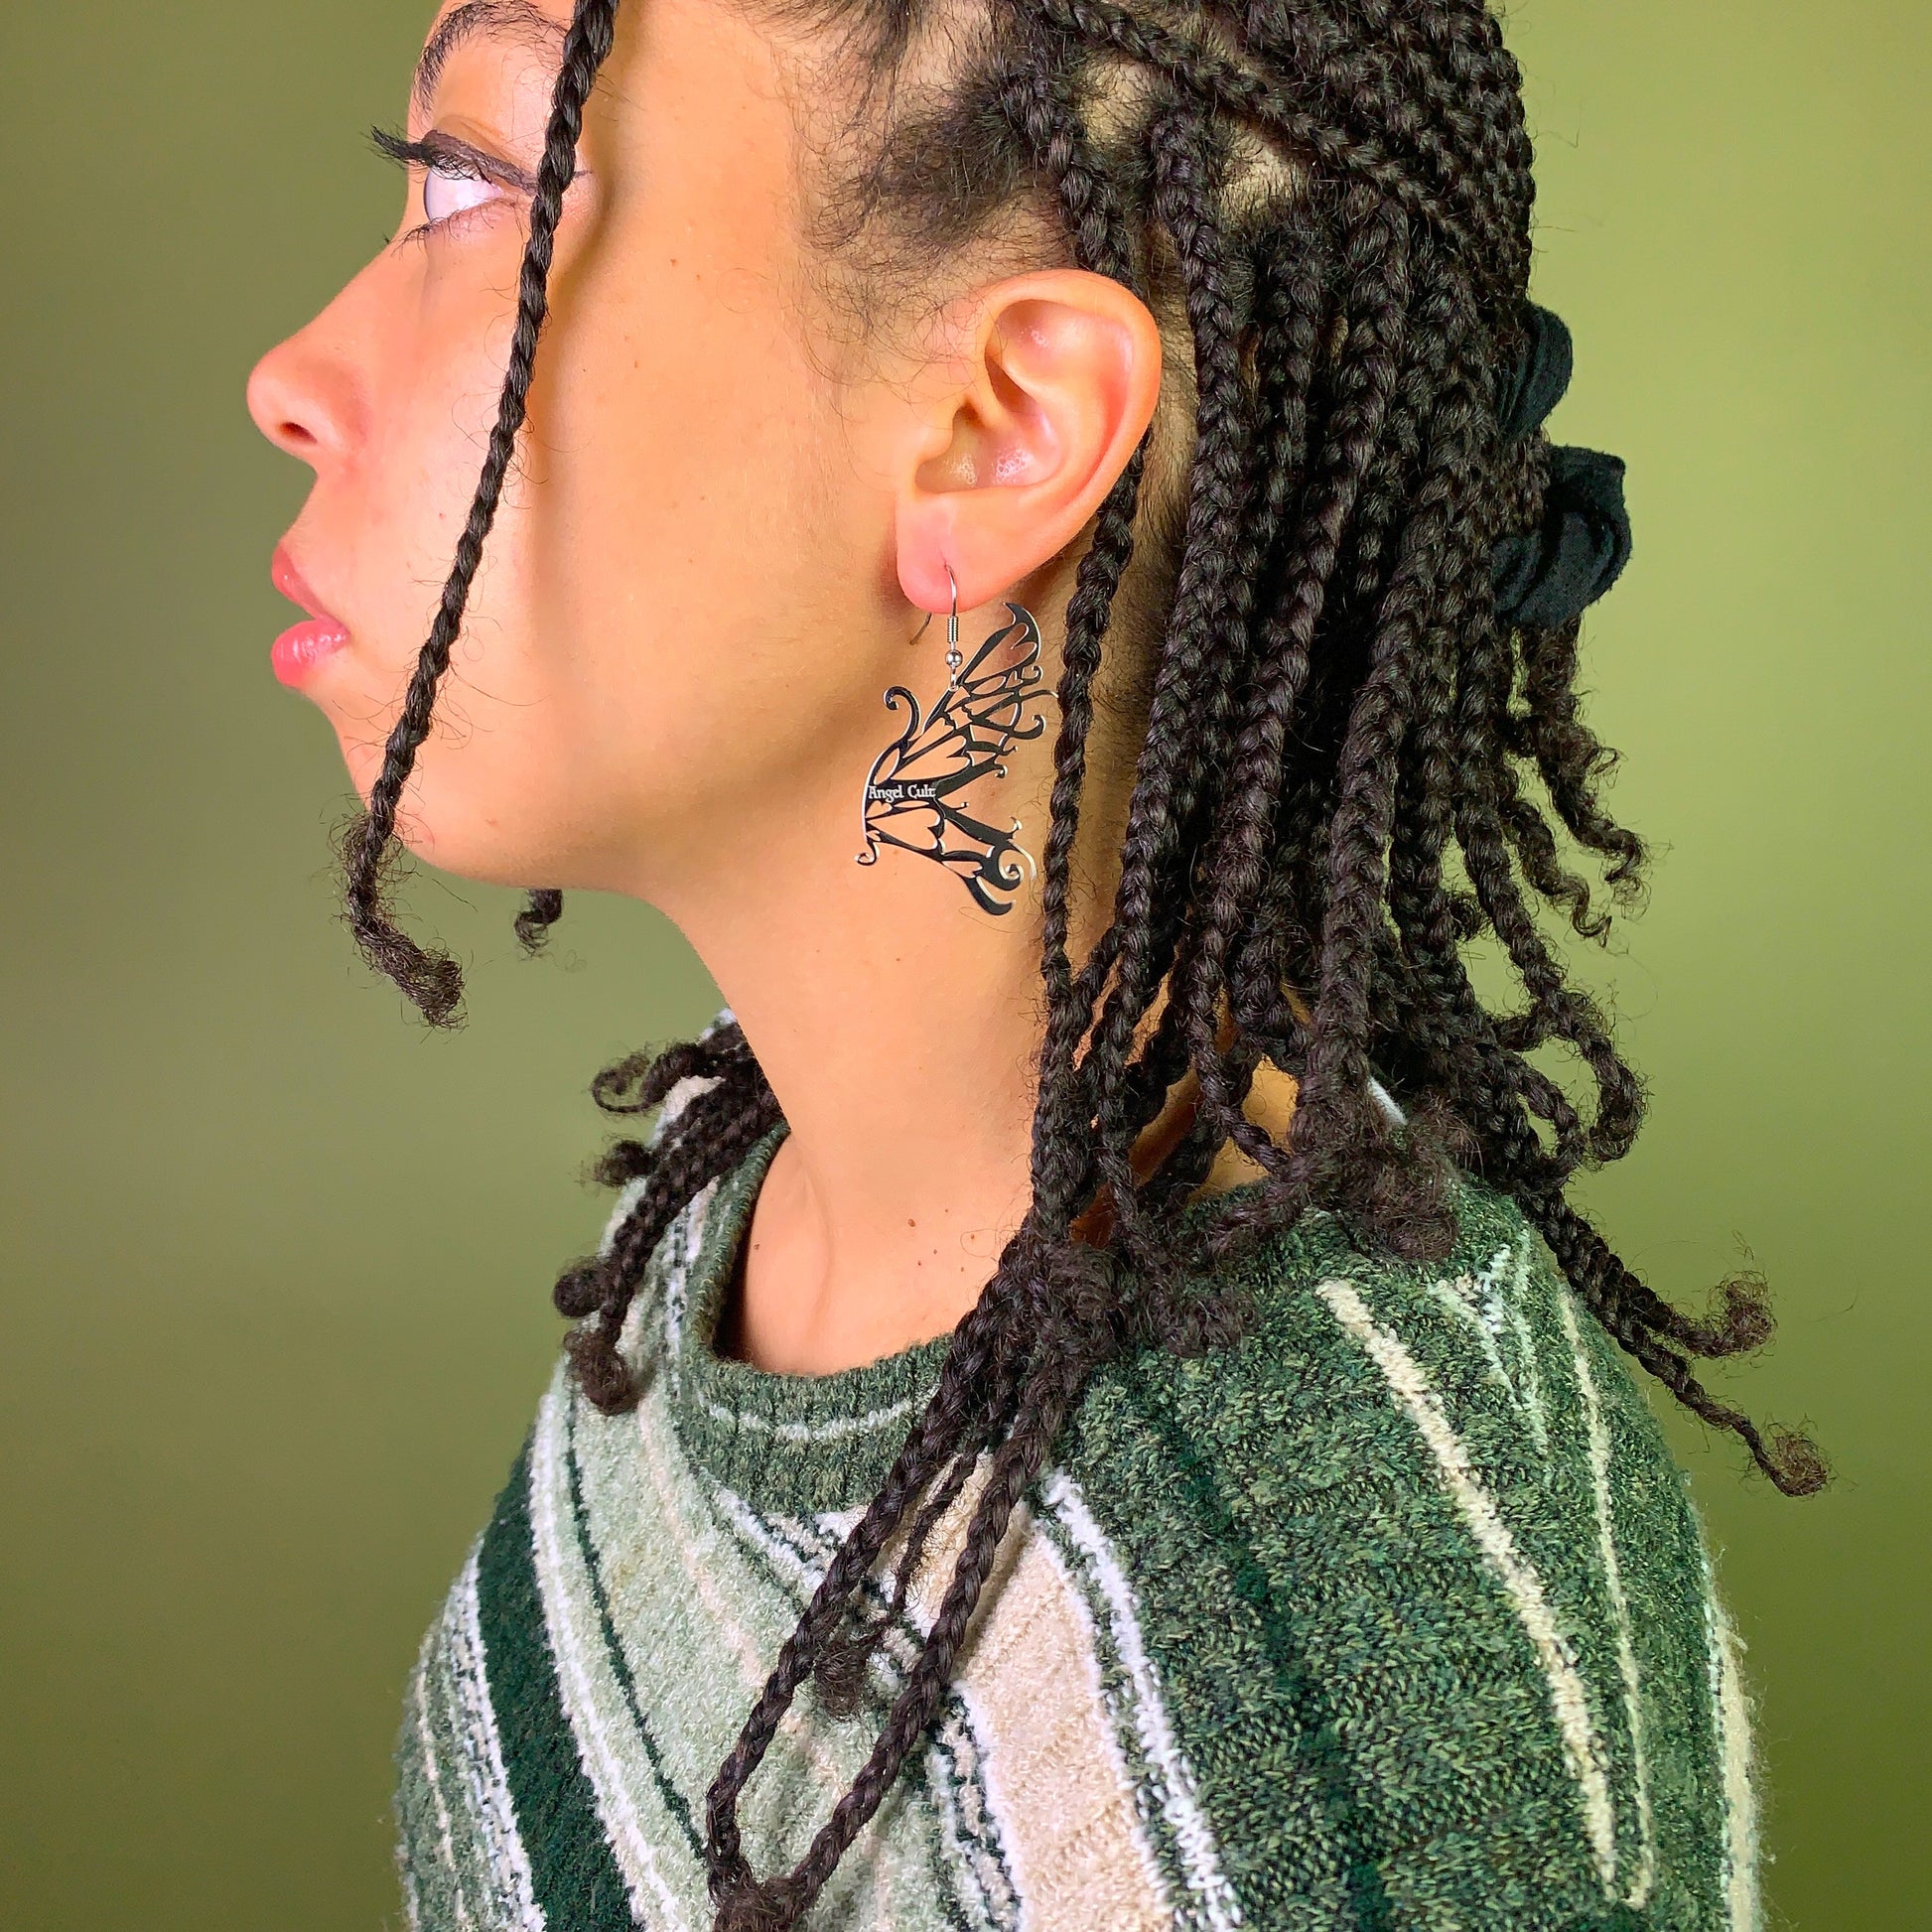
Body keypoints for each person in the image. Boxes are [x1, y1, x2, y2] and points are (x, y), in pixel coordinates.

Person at [245, 0, 1825, 1925]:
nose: (290, 377)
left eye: (478, 184)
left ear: (1000, 434)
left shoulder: (1366, 1755)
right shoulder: (751, 1163)